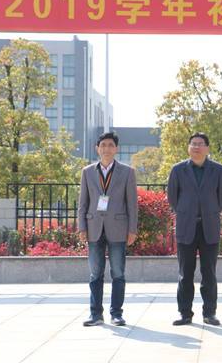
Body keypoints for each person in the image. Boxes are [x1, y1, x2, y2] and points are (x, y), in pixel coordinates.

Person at [167, 132, 222, 326]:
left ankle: (210, 313)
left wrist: (209, 211)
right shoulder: (178, 170)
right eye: (193, 143)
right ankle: (185, 313)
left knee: (209, 273)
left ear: (207, 148)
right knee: (185, 273)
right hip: (186, 226)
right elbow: (172, 197)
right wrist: (186, 212)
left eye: (200, 143)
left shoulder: (219, 170)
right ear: (188, 147)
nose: (196, 147)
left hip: (209, 226)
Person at [78, 131, 138, 326]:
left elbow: (132, 204)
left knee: (118, 273)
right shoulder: (87, 172)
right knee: (95, 273)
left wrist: (132, 229)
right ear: (97, 148)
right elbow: (83, 202)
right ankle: (95, 314)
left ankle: (116, 314)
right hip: (94, 227)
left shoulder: (127, 172)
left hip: (118, 228)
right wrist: (81, 227)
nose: (106, 148)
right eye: (103, 145)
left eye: (111, 145)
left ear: (116, 149)